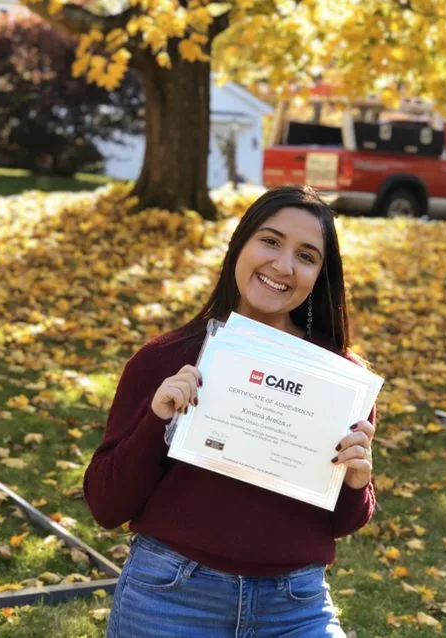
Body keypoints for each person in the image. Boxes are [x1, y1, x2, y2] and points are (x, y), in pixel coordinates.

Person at [83, 185, 377, 637]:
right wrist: (157, 421)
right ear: (239, 244)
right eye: (271, 241)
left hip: (295, 606)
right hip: (170, 597)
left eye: (306, 256)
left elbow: (340, 524)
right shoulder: (163, 361)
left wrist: (356, 482)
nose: (283, 266)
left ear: (320, 274)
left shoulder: (340, 380)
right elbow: (107, 505)